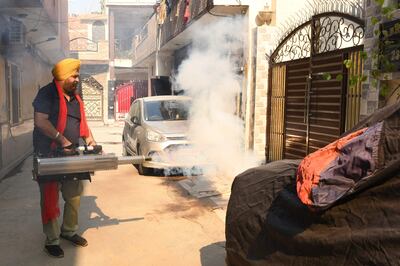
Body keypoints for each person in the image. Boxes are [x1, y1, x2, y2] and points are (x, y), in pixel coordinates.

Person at [32, 58, 97, 258]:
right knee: (50, 200)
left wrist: (92, 143)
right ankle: (51, 241)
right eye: (74, 76)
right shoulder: (46, 94)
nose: (77, 79)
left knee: (74, 197)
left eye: (78, 76)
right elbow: (40, 121)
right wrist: (62, 140)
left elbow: (83, 126)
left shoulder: (76, 99)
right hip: (49, 155)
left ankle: (68, 231)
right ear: (62, 76)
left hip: (73, 157)